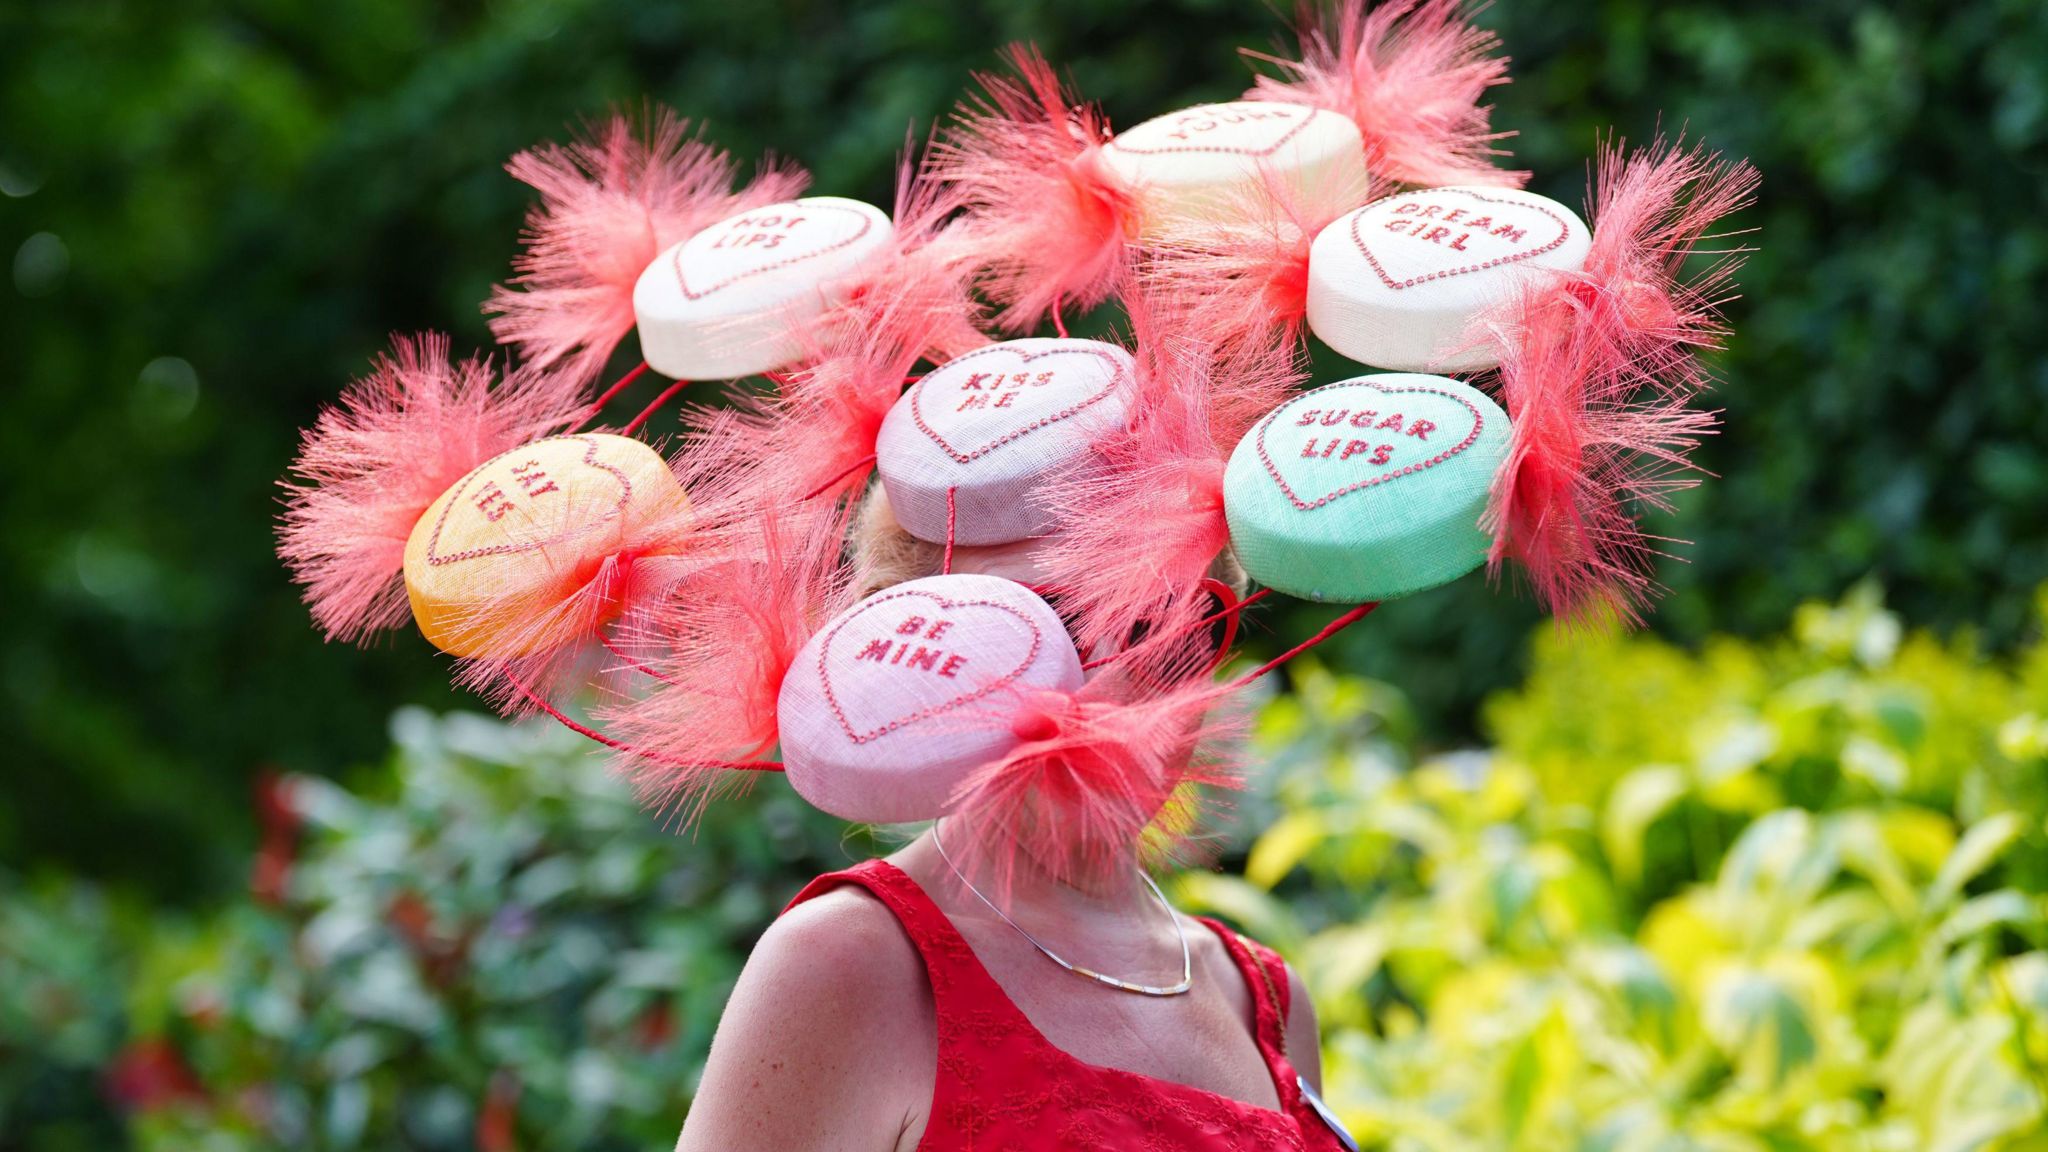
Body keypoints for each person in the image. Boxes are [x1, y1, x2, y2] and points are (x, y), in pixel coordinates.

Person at [674, 492, 1348, 1151]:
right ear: (905, 652)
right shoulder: (849, 964)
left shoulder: (1265, 999)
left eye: (1164, 626)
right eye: (1041, 626)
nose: (1110, 689)